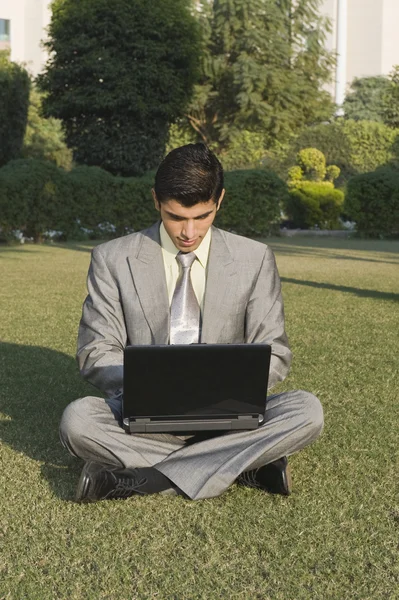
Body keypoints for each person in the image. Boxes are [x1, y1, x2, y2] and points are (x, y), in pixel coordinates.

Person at [60, 143, 323, 502]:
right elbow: (95, 352)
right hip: (144, 414)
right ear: (156, 200)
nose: (188, 231)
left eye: (202, 216)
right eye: (175, 216)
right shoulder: (112, 259)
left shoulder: (255, 258)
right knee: (77, 421)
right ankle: (247, 466)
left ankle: (147, 479)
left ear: (220, 201)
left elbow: (275, 351)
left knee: (307, 411)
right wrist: (157, 383)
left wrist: (221, 387)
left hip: (229, 413)